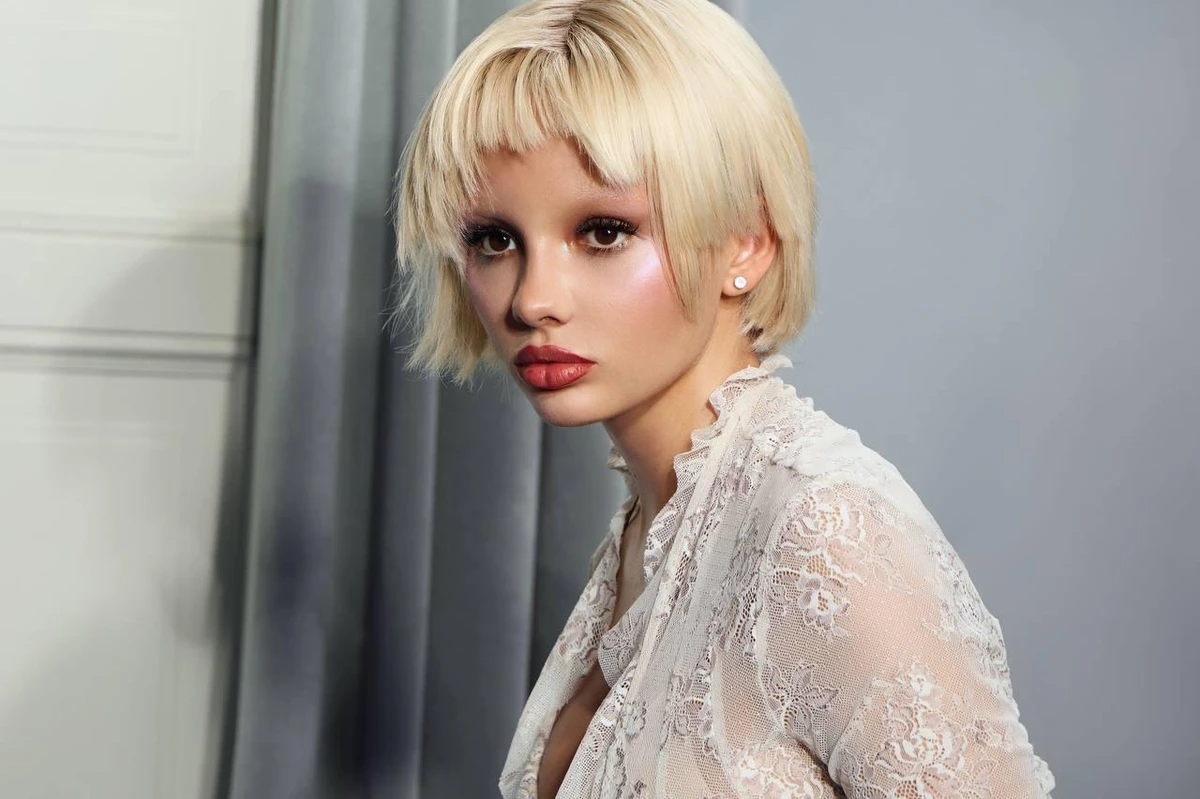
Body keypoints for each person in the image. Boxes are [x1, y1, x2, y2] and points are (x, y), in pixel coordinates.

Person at [390, 0, 1056, 796]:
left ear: (747, 242)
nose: (533, 298)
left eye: (603, 231)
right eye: (495, 239)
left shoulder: (820, 526)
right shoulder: (655, 524)